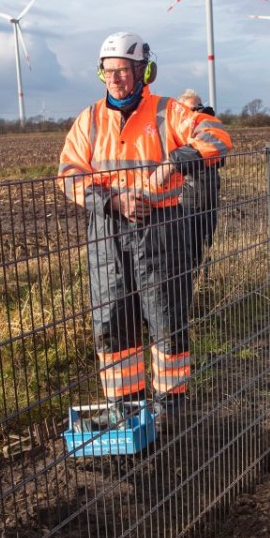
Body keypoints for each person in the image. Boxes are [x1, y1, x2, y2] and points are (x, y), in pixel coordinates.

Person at [59, 32, 232, 425]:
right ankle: (126, 410)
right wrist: (112, 201)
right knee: (111, 321)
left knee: (166, 316)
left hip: (161, 228)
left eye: (123, 70)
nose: (116, 78)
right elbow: (68, 173)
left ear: (143, 71)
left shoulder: (168, 112)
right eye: (109, 72)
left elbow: (217, 137)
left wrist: (177, 160)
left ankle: (170, 406)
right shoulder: (89, 120)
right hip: (108, 231)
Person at [176, 89, 224, 268]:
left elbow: (220, 158)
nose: (196, 112)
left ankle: (204, 284)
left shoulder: (208, 132)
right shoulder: (178, 133)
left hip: (209, 201)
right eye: (191, 109)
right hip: (187, 202)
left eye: (198, 107)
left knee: (206, 247)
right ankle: (192, 285)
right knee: (189, 250)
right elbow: (181, 161)